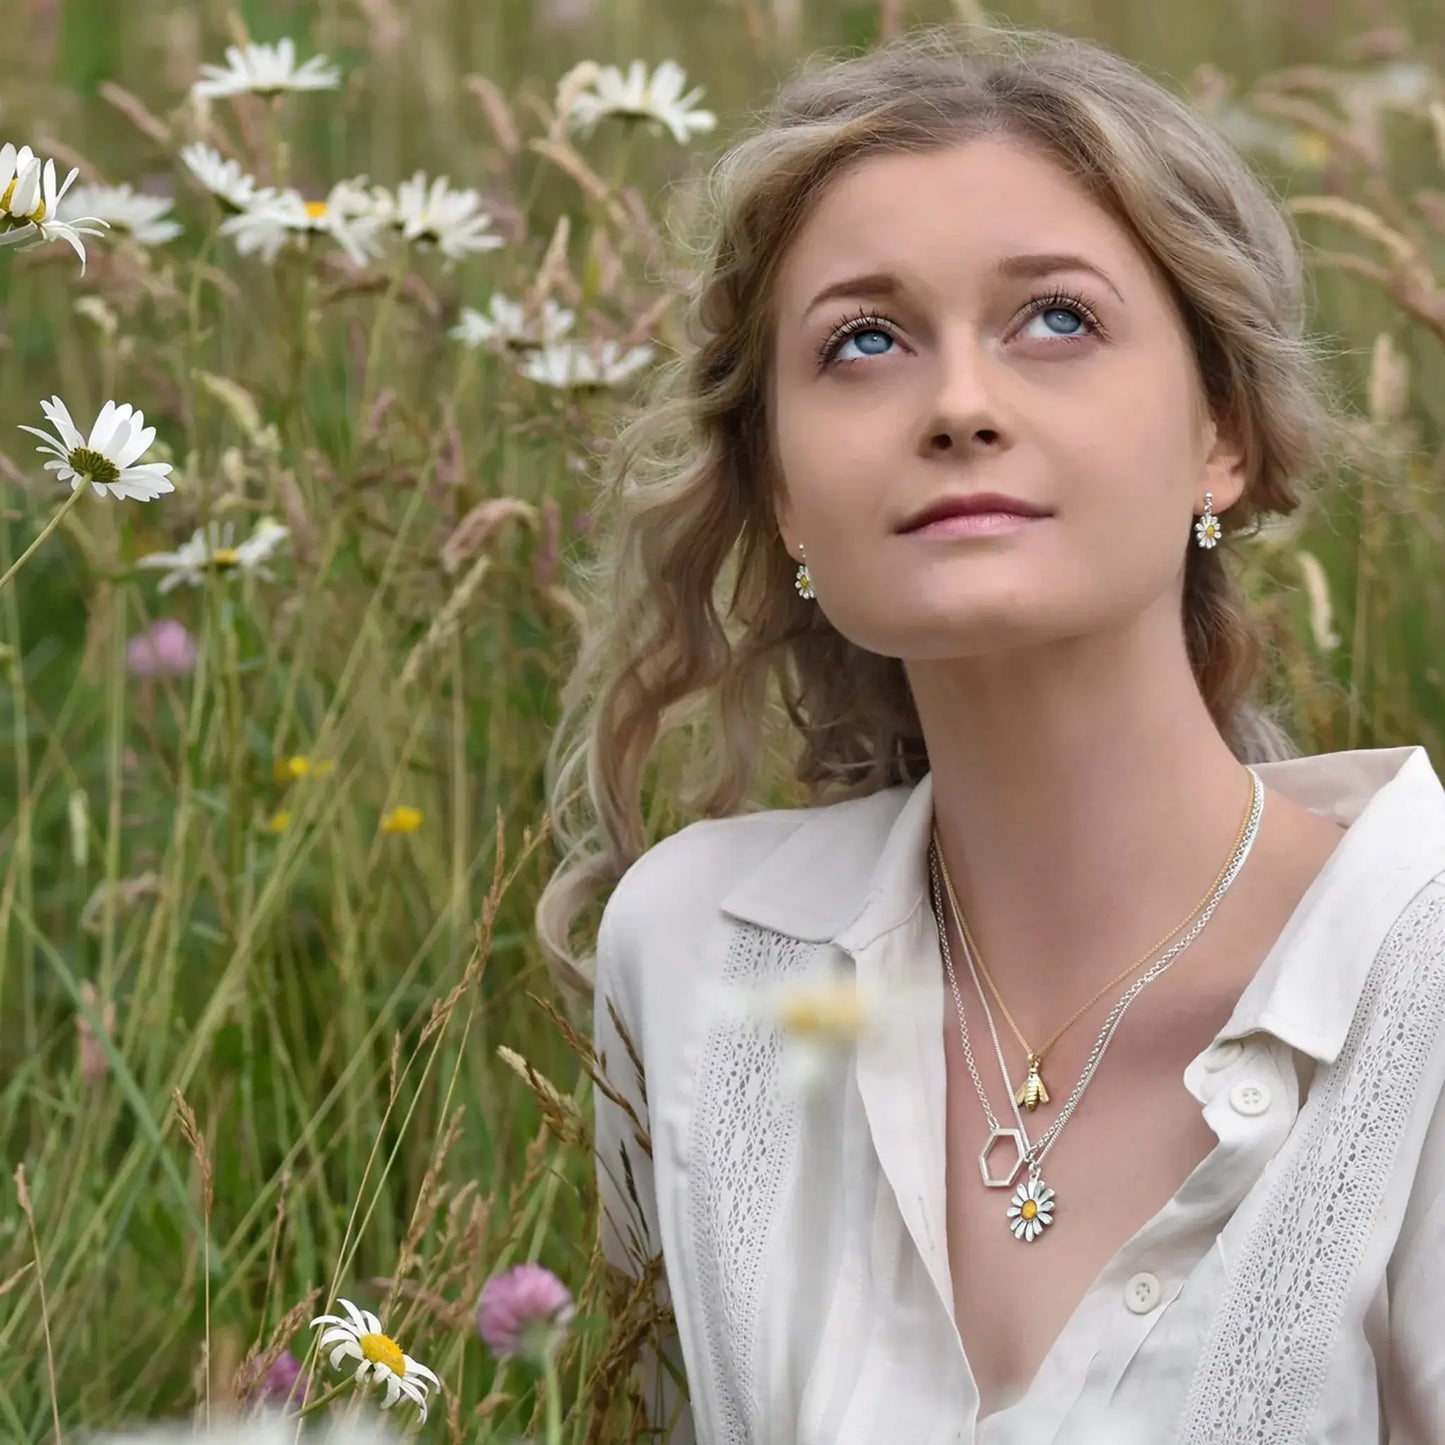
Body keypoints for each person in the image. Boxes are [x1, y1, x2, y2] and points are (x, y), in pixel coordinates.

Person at [536, 19, 1445, 1444]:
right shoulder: (695, 951)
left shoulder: (1420, 981)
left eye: (1057, 318)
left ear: (1223, 431)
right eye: (864, 340)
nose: (958, 403)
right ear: (779, 490)